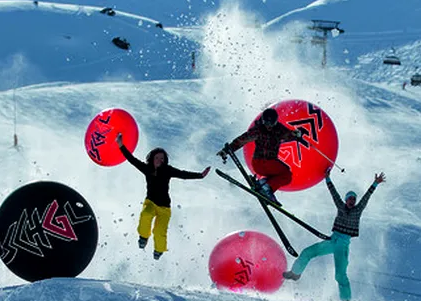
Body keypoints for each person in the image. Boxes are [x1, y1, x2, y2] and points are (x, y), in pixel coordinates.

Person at [282, 168, 385, 301]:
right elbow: (334, 193)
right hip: (332, 241)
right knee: (307, 252)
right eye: (350, 199)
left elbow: (366, 197)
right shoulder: (341, 207)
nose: (352, 201)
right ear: (346, 200)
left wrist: (375, 183)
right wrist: (327, 178)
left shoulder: (357, 210)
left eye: (354, 199)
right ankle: (295, 273)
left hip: (342, 245)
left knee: (340, 276)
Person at [116, 132, 209, 260]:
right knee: (146, 214)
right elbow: (132, 160)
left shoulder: (167, 170)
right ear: (152, 158)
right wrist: (121, 145)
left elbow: (182, 174)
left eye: (162, 158)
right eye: (157, 158)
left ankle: (158, 250)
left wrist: (200, 175)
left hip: (165, 208)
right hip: (150, 202)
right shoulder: (146, 168)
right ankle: (143, 237)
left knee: (159, 231)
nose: (160, 160)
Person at [218, 107, 304, 206]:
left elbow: (288, 135)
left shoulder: (279, 129)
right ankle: (264, 187)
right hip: (260, 162)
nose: (269, 126)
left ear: (275, 122)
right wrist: (227, 150)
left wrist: (296, 135)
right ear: (263, 121)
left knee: (284, 175)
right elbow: (242, 139)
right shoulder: (258, 130)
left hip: (268, 164)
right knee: (286, 174)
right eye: (266, 123)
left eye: (272, 123)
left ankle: (264, 187)